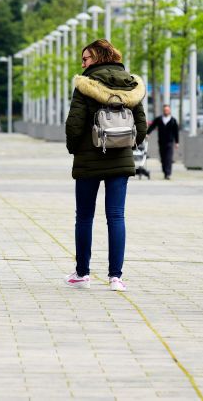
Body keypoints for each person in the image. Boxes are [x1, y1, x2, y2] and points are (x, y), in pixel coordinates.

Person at [63, 39, 146, 292]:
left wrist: (74, 148)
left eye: (86, 58)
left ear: (98, 57)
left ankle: (82, 273)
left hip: (89, 158)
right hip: (120, 159)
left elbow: (74, 124)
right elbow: (141, 126)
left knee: (85, 217)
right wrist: (127, 145)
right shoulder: (130, 84)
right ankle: (115, 277)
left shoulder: (85, 85)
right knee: (117, 216)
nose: (83, 63)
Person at [146, 104, 179, 180]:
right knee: (163, 158)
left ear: (169, 111)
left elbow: (176, 132)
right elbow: (152, 126)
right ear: (163, 111)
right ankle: (165, 171)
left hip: (170, 142)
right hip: (161, 141)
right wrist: (148, 133)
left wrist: (177, 142)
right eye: (165, 110)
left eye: (167, 110)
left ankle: (168, 173)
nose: (166, 111)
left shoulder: (173, 120)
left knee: (168, 158)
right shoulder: (159, 119)